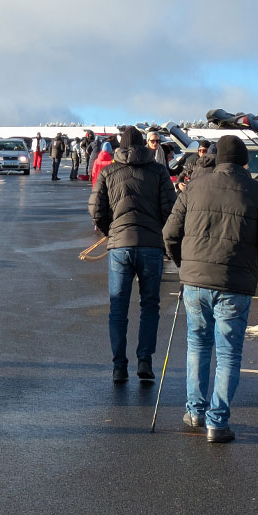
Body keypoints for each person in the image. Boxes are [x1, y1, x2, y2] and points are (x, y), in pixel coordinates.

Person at [162, 135, 258, 443]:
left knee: (197, 345)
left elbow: (169, 233)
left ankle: (194, 413)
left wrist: (184, 264)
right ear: (245, 163)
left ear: (217, 160)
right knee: (228, 354)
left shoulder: (193, 187)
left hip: (195, 281)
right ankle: (217, 422)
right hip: (235, 284)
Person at [89, 126, 177, 383]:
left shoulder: (108, 171)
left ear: (120, 146)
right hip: (150, 246)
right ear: (143, 144)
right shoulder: (159, 171)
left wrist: (110, 231)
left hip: (119, 246)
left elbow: (96, 209)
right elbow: (170, 210)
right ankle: (145, 361)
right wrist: (160, 234)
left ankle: (119, 366)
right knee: (150, 305)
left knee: (118, 307)